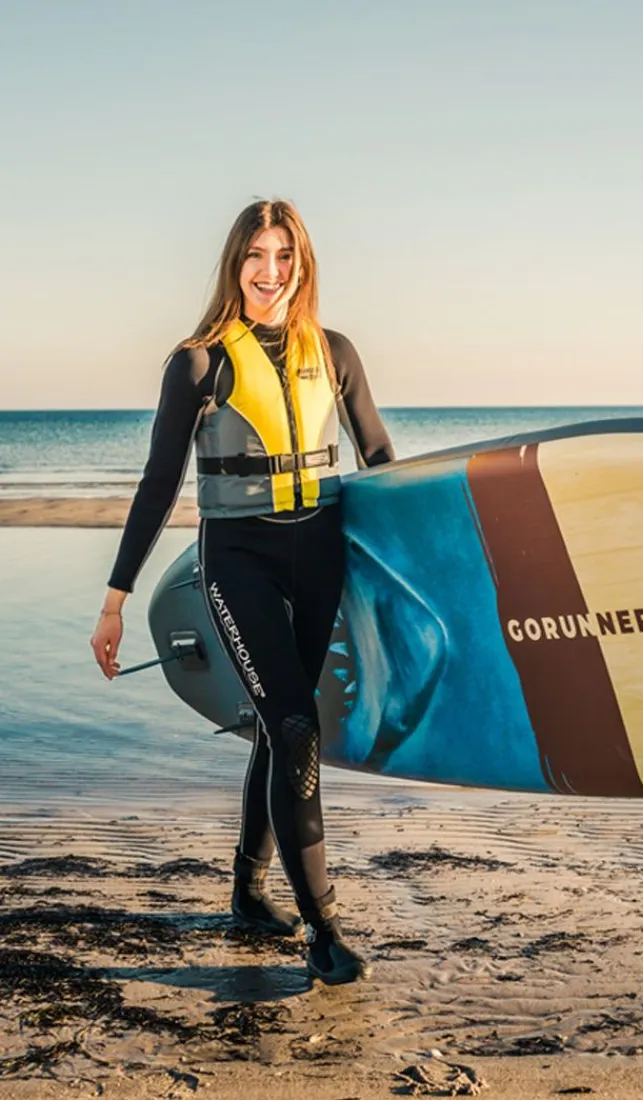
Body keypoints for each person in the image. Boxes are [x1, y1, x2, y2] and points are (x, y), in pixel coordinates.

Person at [89, 198, 395, 985]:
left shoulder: (335, 352)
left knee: (275, 723)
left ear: (303, 263)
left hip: (320, 553)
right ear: (235, 262)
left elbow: (383, 462)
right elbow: (160, 484)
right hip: (239, 557)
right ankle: (323, 928)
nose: (270, 272)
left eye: (284, 256)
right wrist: (116, 600)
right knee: (295, 727)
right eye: (256, 255)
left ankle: (249, 893)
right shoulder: (198, 362)